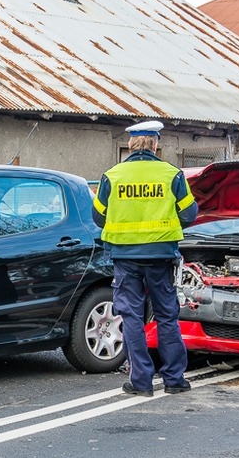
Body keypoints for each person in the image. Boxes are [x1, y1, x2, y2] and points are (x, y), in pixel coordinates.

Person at [92, 120, 198, 397]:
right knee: (166, 316)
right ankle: (174, 379)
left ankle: (141, 382)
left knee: (131, 317)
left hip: (125, 258)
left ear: (130, 145)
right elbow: (189, 214)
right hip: (161, 257)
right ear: (155, 144)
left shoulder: (112, 176)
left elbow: (98, 216)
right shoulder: (172, 175)